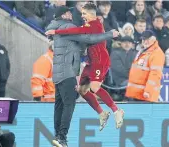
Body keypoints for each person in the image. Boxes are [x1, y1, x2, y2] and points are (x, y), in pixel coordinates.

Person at [45, 5, 120, 147]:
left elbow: (77, 43)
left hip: (58, 73)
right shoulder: (66, 27)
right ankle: (62, 138)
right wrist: (109, 34)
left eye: (84, 13)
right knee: (69, 105)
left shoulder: (54, 30)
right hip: (68, 72)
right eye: (70, 12)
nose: (77, 15)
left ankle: (57, 136)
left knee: (59, 105)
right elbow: (90, 38)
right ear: (65, 14)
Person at [126, 30, 165, 102]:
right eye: (143, 39)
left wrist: (148, 91)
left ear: (153, 39)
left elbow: (155, 74)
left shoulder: (157, 54)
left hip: (145, 96)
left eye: (147, 39)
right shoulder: (143, 50)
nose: (145, 41)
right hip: (136, 94)